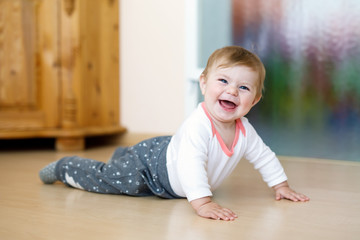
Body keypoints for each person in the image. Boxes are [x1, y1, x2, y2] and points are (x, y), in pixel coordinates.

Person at [39, 46, 309, 221]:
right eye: (223, 81)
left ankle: (123, 155)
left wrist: (281, 186)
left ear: (256, 100)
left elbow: (264, 156)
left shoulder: (244, 131)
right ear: (204, 83)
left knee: (144, 160)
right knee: (114, 180)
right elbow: (191, 163)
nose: (232, 91)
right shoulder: (199, 125)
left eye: (244, 88)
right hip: (152, 167)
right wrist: (203, 203)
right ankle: (67, 168)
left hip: (171, 153)